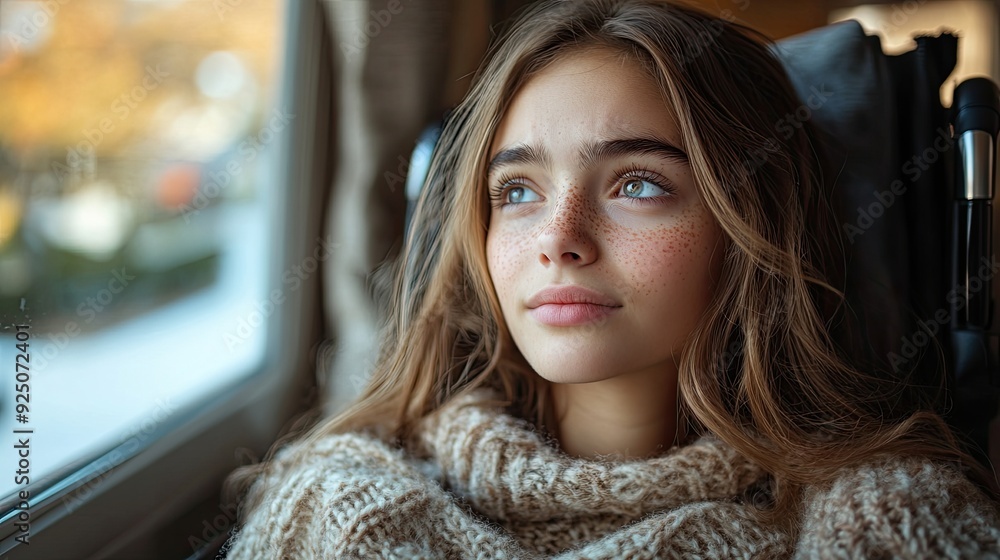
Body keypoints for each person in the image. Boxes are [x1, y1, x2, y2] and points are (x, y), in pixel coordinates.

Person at [223, 0, 1000, 557]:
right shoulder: (332, 510)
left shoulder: (885, 522)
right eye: (517, 192)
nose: (558, 242)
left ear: (752, 227)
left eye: (637, 184)